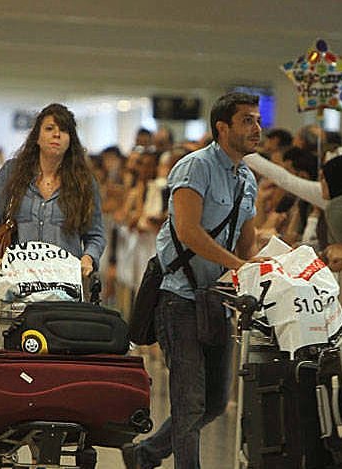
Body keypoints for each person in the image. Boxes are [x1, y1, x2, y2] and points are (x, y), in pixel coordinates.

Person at [121, 92, 261, 469]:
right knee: (189, 401)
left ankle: (144, 453)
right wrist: (238, 264)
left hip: (215, 300)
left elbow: (248, 242)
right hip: (177, 296)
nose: (257, 129)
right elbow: (188, 231)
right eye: (247, 120)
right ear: (222, 127)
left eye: (257, 120)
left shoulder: (247, 179)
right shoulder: (194, 167)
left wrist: (266, 266)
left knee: (215, 401)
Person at [0, 103, 104, 278]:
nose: (56, 134)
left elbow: (95, 234)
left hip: (64, 283)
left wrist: (88, 258)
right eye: (49, 128)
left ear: (71, 139)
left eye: (64, 131)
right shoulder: (13, 171)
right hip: (17, 280)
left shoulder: (84, 181)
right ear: (37, 137)